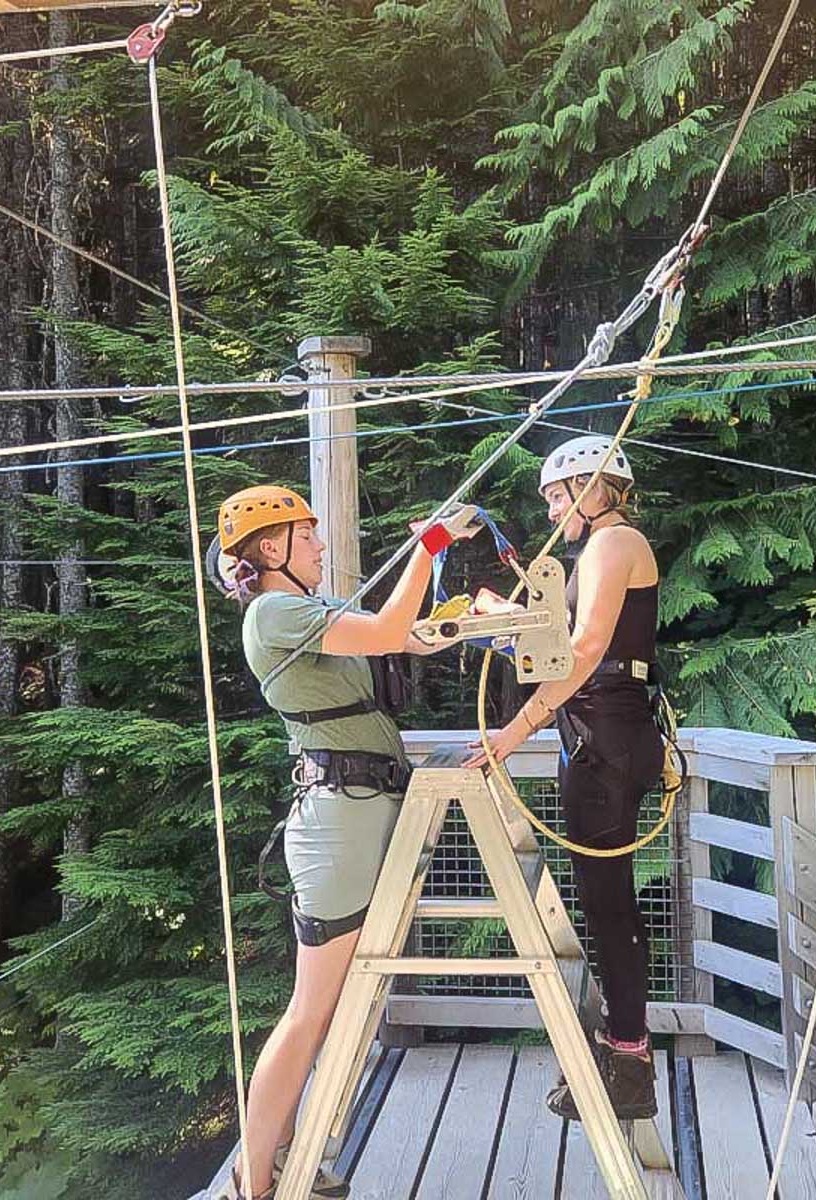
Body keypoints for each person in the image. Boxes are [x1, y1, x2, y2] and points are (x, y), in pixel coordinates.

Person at [215, 485, 483, 1200]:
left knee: (331, 1007)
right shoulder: (276, 612)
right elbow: (393, 627)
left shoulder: (308, 612)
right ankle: (255, 1175)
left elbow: (407, 634)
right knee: (311, 1011)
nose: (320, 545)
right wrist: (427, 548)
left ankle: (290, 1149)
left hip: (363, 810)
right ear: (270, 549)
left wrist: (462, 615)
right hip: (341, 821)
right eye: (306, 535)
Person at [465, 435, 663, 1120]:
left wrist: (509, 736)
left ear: (595, 486)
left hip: (605, 736)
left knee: (607, 905)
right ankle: (620, 1055)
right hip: (598, 734)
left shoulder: (613, 545)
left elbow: (580, 654)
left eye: (557, 496)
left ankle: (629, 1067)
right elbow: (566, 650)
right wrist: (505, 623)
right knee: (602, 901)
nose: (551, 512)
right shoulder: (599, 551)